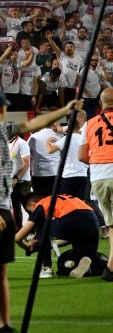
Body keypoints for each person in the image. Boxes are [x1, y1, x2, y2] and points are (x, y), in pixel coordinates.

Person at [0, 89, 80, 333]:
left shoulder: (0, 130)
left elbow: (32, 123)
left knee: (0, 269)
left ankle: (4, 324)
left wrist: (65, 110)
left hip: (1, 206)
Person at [15, 193, 101, 279]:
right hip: (93, 222)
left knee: (39, 223)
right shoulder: (62, 198)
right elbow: (70, 236)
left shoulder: (40, 204)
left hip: (70, 220)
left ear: (33, 204)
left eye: (30, 211)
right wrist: (44, 245)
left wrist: (27, 248)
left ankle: (47, 269)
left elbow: (18, 238)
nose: (31, 213)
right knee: (66, 261)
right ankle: (102, 265)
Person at [78, 87, 113, 282]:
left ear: (100, 104)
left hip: (98, 177)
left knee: (111, 223)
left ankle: (110, 267)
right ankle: (110, 267)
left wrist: (100, 161)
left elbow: (82, 155)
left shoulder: (90, 124)